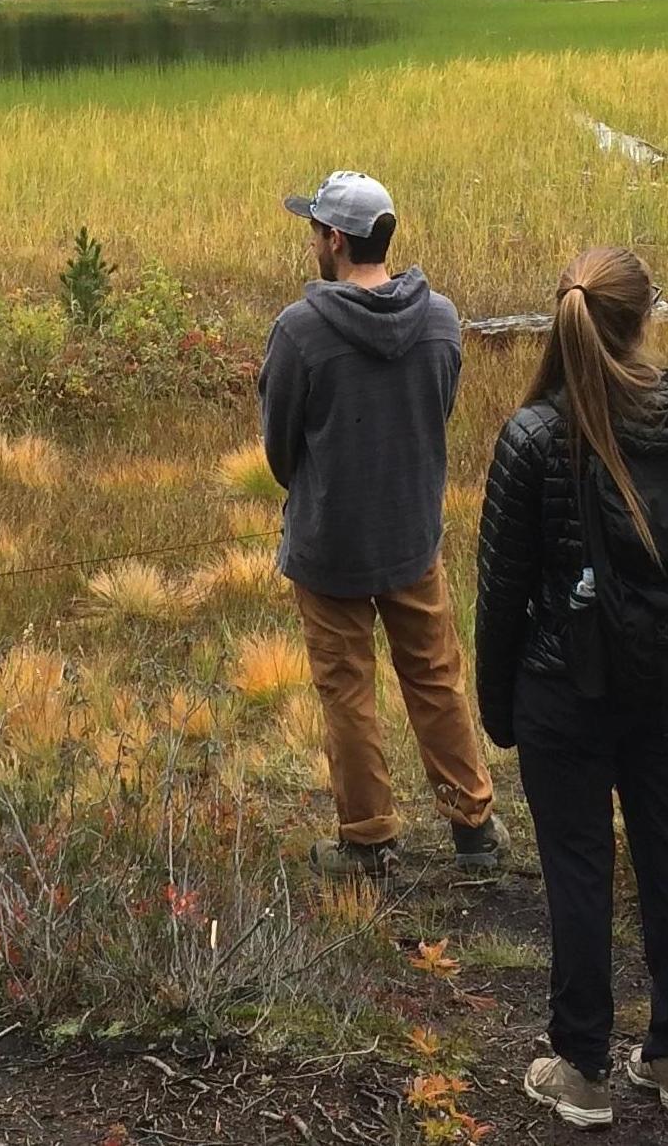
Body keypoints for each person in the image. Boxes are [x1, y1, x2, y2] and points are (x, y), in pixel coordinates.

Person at [474, 247, 668, 1129]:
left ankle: (580, 1067)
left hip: (564, 689)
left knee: (577, 868)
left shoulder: (532, 436)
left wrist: (497, 707)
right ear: (644, 317)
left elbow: (499, 591)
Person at [258, 168, 504, 881]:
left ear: (335, 238)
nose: (310, 240)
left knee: (345, 686)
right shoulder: (442, 318)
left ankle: (367, 840)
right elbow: (437, 409)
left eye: (313, 230)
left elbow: (279, 446)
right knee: (434, 675)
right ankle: (475, 828)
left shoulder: (299, 330)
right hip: (410, 533)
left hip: (328, 542)